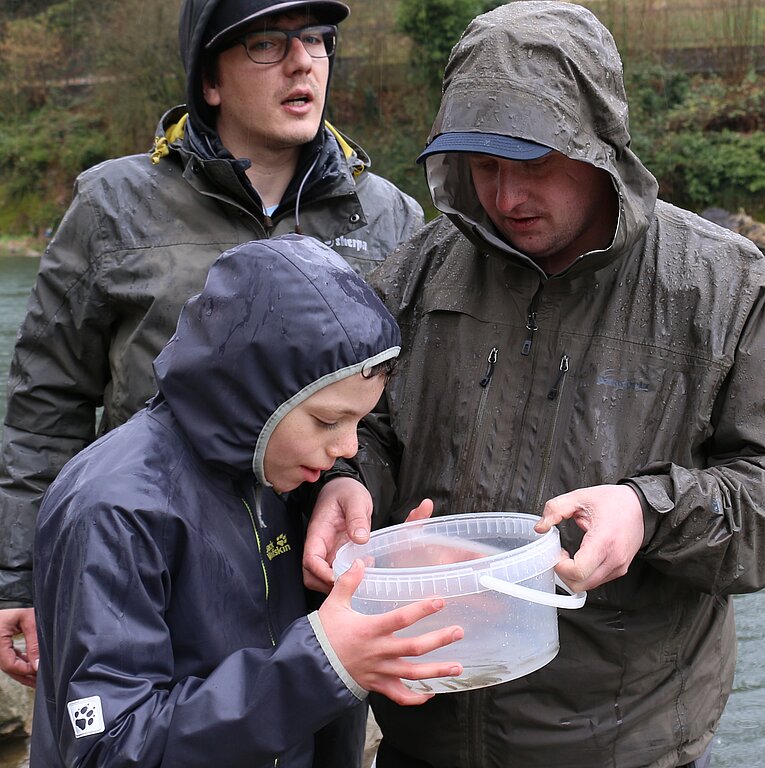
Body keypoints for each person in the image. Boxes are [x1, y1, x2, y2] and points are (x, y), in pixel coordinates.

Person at [303, 3, 765, 767]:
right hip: (424, 726)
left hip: (627, 742)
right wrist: (347, 480)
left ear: (599, 149)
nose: (504, 197)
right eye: (483, 167)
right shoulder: (418, 271)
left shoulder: (726, 289)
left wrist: (646, 511)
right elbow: (366, 427)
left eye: (532, 164)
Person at [0, 0, 424, 688]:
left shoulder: (386, 215)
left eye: (316, 41)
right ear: (210, 81)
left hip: (319, 581)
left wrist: (349, 481)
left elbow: (390, 407)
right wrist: (19, 578)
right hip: (153, 572)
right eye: (266, 44)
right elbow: (47, 401)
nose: (301, 62)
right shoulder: (112, 204)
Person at [29, 235, 463, 768]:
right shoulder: (112, 510)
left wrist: (383, 578)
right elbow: (106, 745)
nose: (349, 447)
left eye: (360, 420)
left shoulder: (279, 472)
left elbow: (310, 640)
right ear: (250, 393)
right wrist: (323, 664)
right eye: (329, 421)